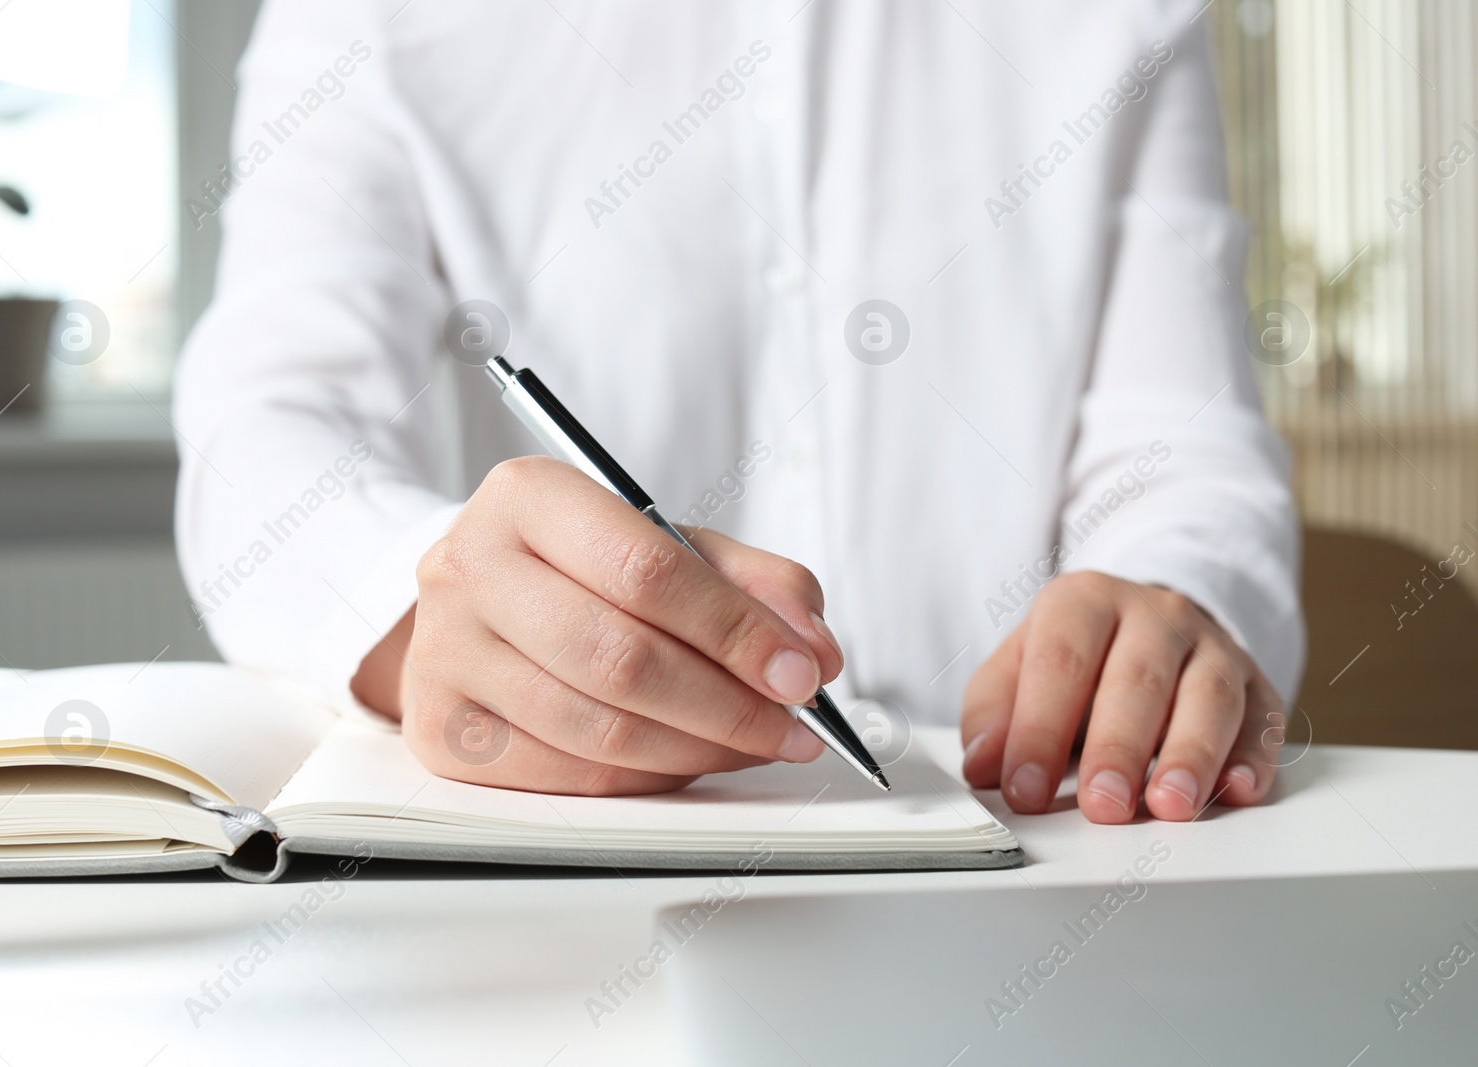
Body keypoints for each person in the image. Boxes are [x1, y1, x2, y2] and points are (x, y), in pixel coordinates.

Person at [175, 0, 1302, 824]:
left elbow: (1184, 453)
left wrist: (1173, 594)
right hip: (548, 886)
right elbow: (266, 429)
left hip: (1046, 854)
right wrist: (427, 612)